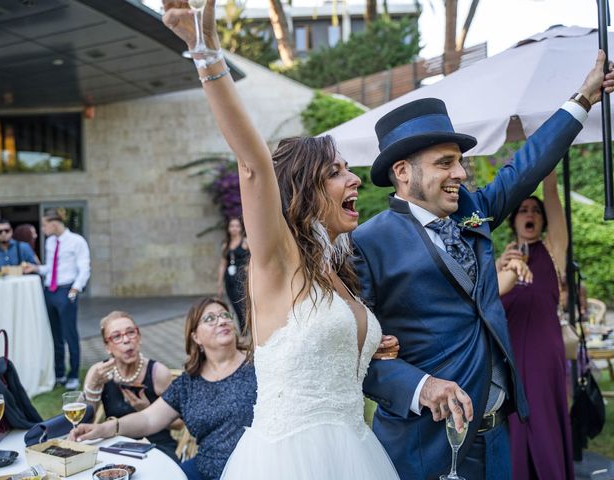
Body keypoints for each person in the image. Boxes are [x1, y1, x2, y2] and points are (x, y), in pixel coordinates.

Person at [161, 4, 401, 479]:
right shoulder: (277, 259)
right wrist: (205, 52)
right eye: (336, 172)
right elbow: (253, 165)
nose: (354, 180)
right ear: (306, 190)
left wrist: (367, 342)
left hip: (353, 451)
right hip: (289, 462)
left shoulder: (336, 269)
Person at [351, 54, 613, 479]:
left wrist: (584, 97)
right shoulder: (366, 244)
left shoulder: (473, 211)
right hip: (427, 444)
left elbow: (525, 167)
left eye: (460, 161)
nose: (461, 172)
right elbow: (354, 356)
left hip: (496, 435)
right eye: (445, 163)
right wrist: (421, 386)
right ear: (402, 172)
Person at [72, 298, 257, 480]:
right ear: (195, 337)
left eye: (225, 315)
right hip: (204, 468)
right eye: (210, 318)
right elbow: (148, 418)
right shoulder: (189, 382)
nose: (222, 320)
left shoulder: (258, 366)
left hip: (250, 469)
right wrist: (102, 428)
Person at [498, 171, 574, 479]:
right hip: (510, 352)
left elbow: (553, 197)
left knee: (542, 421)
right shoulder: (501, 260)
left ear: (542, 221)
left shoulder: (554, 251)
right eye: (524, 210)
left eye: (536, 211)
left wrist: (548, 165)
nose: (531, 215)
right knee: (514, 424)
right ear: (514, 220)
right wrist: (500, 267)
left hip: (544, 351)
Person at [82, 311, 178, 461]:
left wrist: (147, 410)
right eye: (117, 336)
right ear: (107, 346)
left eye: (131, 332)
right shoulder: (98, 372)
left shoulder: (158, 373)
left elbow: (180, 424)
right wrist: (93, 385)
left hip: (156, 447)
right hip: (115, 446)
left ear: (139, 337)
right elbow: (85, 422)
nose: (126, 340)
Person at [23, 209, 90, 390]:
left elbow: (84, 268)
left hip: (67, 291)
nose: (42, 229)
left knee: (70, 335)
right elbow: (52, 269)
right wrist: (35, 268)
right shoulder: (51, 242)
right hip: (50, 291)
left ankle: (74, 375)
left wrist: (75, 289)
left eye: (44, 225)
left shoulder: (77, 241)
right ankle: (59, 373)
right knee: (55, 335)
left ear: (54, 223)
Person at [217, 217, 249, 330]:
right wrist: (219, 284)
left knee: (243, 305)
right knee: (235, 305)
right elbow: (222, 264)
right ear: (228, 228)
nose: (234, 228)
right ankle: (243, 331)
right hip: (229, 279)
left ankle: (247, 330)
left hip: (242, 278)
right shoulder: (226, 244)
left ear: (241, 228)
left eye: (237, 226)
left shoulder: (245, 242)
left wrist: (248, 267)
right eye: (232, 226)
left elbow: (254, 258)